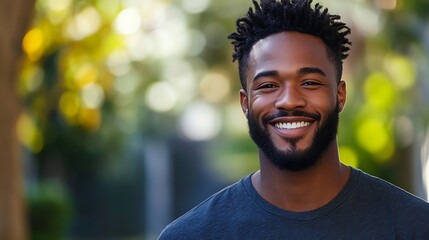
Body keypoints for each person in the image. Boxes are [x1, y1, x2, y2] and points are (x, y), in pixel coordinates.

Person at [158, 0, 429, 239]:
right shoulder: (192, 235)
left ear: (340, 94)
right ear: (245, 103)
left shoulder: (415, 226)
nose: (289, 100)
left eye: (309, 82)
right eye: (268, 85)